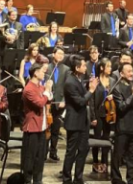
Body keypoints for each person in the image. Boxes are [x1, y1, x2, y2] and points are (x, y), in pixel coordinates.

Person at [63, 55, 98, 184]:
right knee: (71, 152)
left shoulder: (79, 79)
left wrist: (89, 86)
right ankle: (67, 180)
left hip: (83, 122)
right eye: (83, 65)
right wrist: (91, 90)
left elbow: (82, 94)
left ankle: (78, 178)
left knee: (83, 150)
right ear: (77, 68)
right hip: (74, 122)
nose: (85, 67)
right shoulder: (70, 82)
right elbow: (81, 101)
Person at [22, 63, 53, 184]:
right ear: (35, 73)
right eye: (42, 71)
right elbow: (40, 103)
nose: (44, 73)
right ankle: (27, 180)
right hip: (32, 128)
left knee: (40, 157)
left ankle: (38, 181)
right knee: (30, 158)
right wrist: (47, 90)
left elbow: (48, 100)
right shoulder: (29, 89)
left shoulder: (40, 87)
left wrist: (48, 90)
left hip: (42, 127)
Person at [111, 62, 133, 184]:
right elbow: (121, 107)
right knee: (118, 154)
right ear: (121, 74)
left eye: (132, 71)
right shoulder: (117, 88)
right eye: (128, 71)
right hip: (123, 125)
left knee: (132, 155)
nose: (131, 73)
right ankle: (116, 178)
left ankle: (130, 178)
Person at [90, 58, 115, 176]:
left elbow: (117, 96)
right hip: (98, 114)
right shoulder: (96, 81)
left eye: (110, 66)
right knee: (96, 138)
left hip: (109, 114)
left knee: (106, 138)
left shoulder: (113, 81)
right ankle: (95, 162)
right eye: (108, 66)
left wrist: (113, 97)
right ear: (101, 68)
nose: (110, 69)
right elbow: (92, 101)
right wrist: (93, 117)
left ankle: (104, 162)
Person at [48, 46, 70, 161]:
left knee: (55, 129)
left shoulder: (66, 69)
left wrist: (64, 100)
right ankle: (43, 152)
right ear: (53, 54)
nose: (61, 56)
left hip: (59, 103)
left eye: (62, 54)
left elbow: (67, 87)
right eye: (59, 53)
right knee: (46, 129)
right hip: (48, 102)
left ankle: (53, 152)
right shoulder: (47, 67)